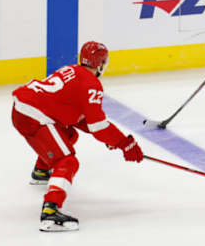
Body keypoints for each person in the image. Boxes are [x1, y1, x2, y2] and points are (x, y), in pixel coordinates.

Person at [11, 41, 143, 232]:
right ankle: (50, 212)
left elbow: (76, 116)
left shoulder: (71, 69)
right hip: (34, 116)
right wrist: (124, 143)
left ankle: (41, 171)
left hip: (23, 108)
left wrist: (111, 139)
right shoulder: (92, 85)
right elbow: (98, 126)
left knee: (69, 135)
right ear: (100, 64)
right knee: (67, 162)